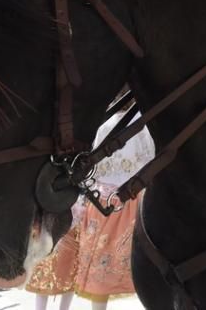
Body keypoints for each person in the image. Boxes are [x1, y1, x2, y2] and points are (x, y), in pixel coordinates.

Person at [73, 110, 154, 309]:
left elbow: (92, 162)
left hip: (104, 200)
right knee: (144, 264)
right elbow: (151, 157)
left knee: (100, 272)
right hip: (134, 198)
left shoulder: (104, 122)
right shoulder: (142, 123)